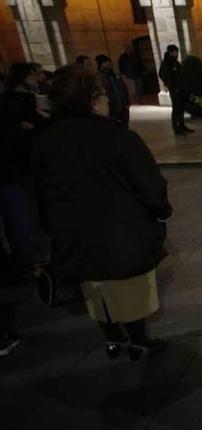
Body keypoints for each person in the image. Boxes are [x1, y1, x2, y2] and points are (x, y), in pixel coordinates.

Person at [34, 65, 171, 361]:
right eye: (105, 96)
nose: (109, 101)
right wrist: (160, 213)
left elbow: (37, 190)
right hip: (120, 230)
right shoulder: (116, 136)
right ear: (93, 100)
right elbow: (150, 184)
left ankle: (112, 341)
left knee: (94, 291)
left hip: (72, 232)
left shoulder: (44, 138)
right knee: (128, 291)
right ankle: (137, 340)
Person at [0, 63, 43, 276]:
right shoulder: (9, 103)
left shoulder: (20, 100)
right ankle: (24, 263)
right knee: (18, 216)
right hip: (12, 169)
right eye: (34, 74)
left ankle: (26, 257)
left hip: (19, 164)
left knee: (22, 214)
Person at [158, 44, 192, 135]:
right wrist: (170, 86)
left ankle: (182, 125)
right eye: (175, 52)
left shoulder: (175, 62)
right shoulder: (167, 63)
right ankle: (176, 128)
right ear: (171, 52)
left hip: (181, 89)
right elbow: (162, 74)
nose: (177, 53)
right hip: (175, 90)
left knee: (181, 108)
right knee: (176, 108)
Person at [95, 54, 131, 128]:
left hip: (123, 106)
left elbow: (123, 88)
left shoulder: (115, 75)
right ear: (100, 64)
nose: (108, 64)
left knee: (125, 126)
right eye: (105, 62)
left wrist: (127, 101)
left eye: (109, 61)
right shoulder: (99, 77)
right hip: (112, 107)